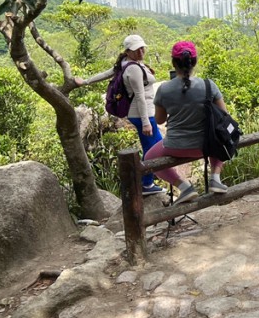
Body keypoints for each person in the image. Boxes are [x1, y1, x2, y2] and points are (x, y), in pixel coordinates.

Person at [78, 34, 164, 195]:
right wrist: (146, 122)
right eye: (136, 49)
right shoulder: (133, 69)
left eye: (141, 48)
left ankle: (147, 183)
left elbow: (105, 74)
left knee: (150, 147)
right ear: (128, 51)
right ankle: (146, 184)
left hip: (140, 114)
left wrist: (85, 81)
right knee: (155, 148)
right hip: (142, 114)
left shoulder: (125, 63)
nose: (140, 52)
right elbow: (139, 96)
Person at [146, 41, 231, 204]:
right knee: (219, 136)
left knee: (149, 160)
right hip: (205, 146)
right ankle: (215, 178)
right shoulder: (208, 85)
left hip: (175, 147)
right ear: (195, 61)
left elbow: (159, 120)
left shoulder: (164, 89)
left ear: (173, 62)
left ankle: (184, 187)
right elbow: (224, 115)